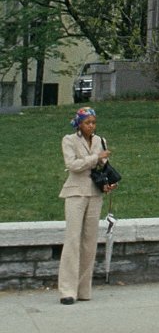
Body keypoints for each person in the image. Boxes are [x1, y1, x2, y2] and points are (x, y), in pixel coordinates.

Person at [58, 105, 114, 304]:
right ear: (79, 124)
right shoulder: (69, 140)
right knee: (72, 239)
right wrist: (95, 158)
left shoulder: (100, 141)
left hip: (94, 193)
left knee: (90, 242)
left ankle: (83, 289)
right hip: (75, 192)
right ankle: (67, 290)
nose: (91, 126)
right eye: (87, 123)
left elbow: (103, 167)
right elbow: (72, 165)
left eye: (93, 122)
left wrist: (108, 181)